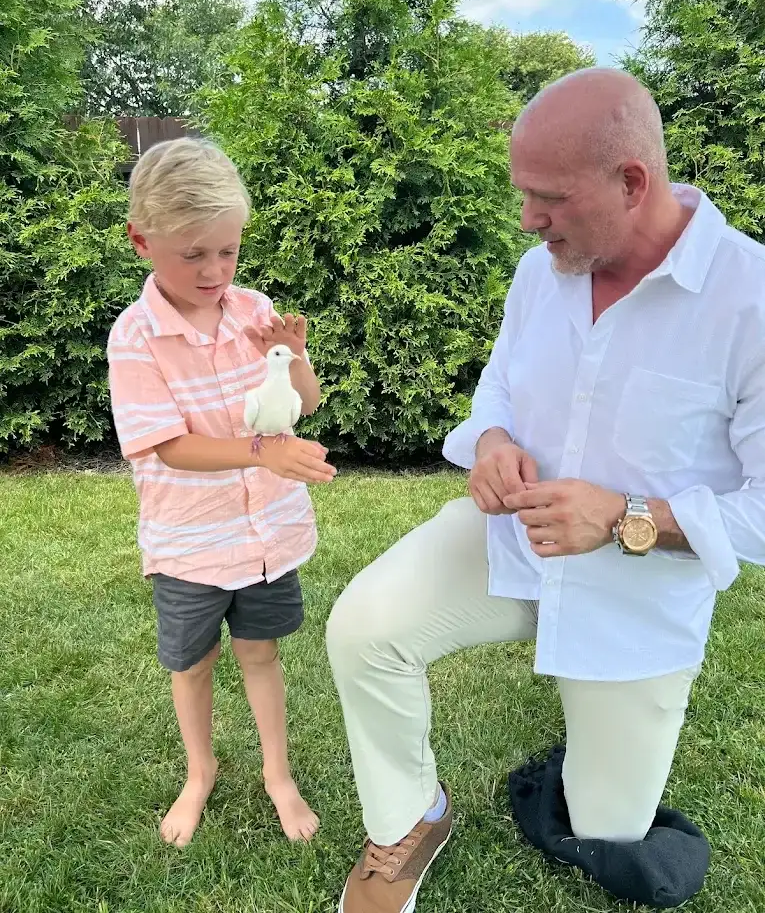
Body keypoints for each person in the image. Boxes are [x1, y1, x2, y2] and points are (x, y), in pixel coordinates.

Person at [326, 67, 765, 912]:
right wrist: (489, 440)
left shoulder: (751, 298)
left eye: (548, 198)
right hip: (510, 549)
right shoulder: (543, 271)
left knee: (607, 832)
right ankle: (407, 821)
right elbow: (498, 383)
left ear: (631, 183)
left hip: (633, 602)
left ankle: (596, 763)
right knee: (364, 629)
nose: (528, 219)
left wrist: (627, 517)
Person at [107, 137, 336, 847]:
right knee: (194, 664)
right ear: (140, 240)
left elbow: (308, 403)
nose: (214, 271)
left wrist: (294, 355)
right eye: (193, 254)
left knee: (262, 653)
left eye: (227, 252)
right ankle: (199, 772)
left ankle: (277, 773)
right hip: (190, 545)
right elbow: (168, 445)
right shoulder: (135, 338)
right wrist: (264, 451)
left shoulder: (253, 310)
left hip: (266, 535)